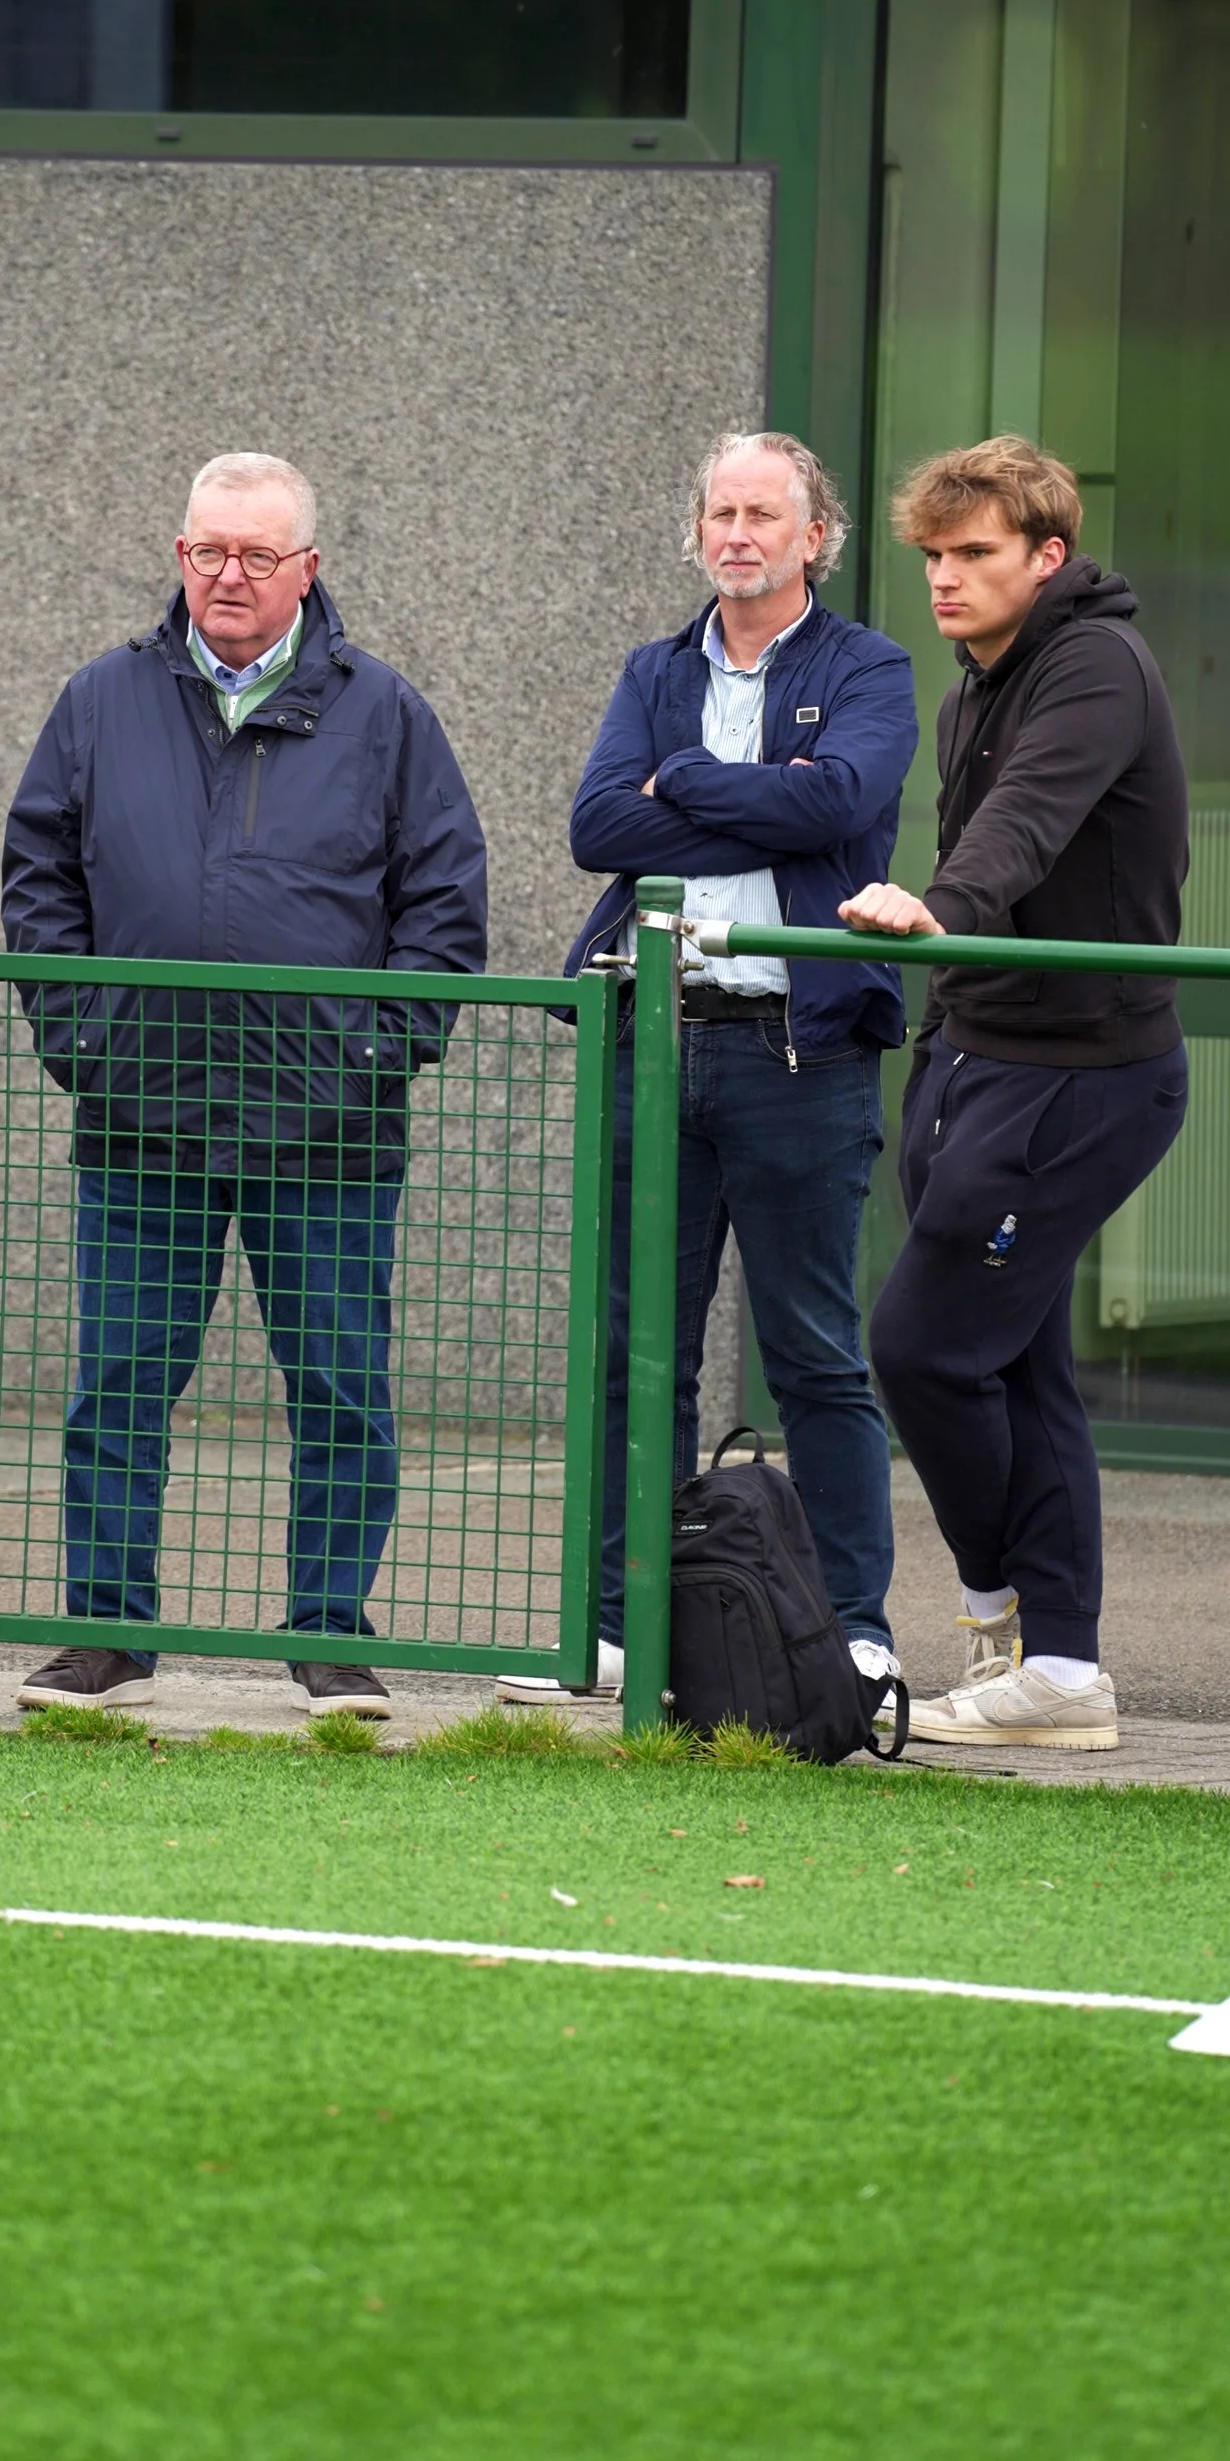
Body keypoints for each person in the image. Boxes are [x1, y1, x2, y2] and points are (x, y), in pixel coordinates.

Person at [0, 451, 487, 1719]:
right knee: (119, 1383)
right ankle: (104, 1633)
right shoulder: (100, 701)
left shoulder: (387, 715)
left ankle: (330, 1634)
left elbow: (443, 901)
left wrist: (382, 1053)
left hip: (327, 1123)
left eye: (256, 556)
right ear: (179, 557)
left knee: (337, 1386)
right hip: (141, 1107)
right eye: (207, 550)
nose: (228, 574)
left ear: (307, 571)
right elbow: (38, 877)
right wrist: (82, 1039)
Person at [513, 431, 917, 1709]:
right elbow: (596, 827)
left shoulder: (869, 666)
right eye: (720, 514)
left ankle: (852, 1629)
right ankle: (625, 1629)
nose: (738, 535)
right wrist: (753, 788)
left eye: (764, 515)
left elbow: (839, 804)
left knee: (813, 1355)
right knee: (641, 1354)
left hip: (797, 1056)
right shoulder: (651, 667)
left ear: (816, 536)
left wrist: (680, 780)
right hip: (654, 1041)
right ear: (697, 532)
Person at [840, 435, 1188, 1752]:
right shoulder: (972, 682)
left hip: (1081, 1074)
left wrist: (938, 905)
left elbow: (1025, 825)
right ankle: (1063, 1672)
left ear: (1048, 556)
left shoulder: (1094, 662)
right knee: (1020, 1361)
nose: (945, 576)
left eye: (975, 552)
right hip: (976, 1057)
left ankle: (1001, 1615)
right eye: (931, 554)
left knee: (925, 1345)